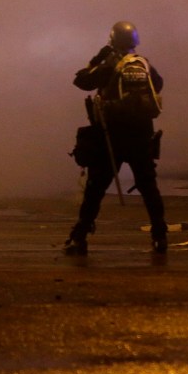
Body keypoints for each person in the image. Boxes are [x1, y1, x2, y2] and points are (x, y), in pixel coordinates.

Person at [64, 21, 166, 256]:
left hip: (113, 136)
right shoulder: (144, 64)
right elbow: (158, 85)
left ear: (112, 42)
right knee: (149, 187)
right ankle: (160, 236)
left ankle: (79, 238)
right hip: (141, 135)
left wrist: (97, 59)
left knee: (95, 188)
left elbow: (81, 80)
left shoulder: (110, 65)